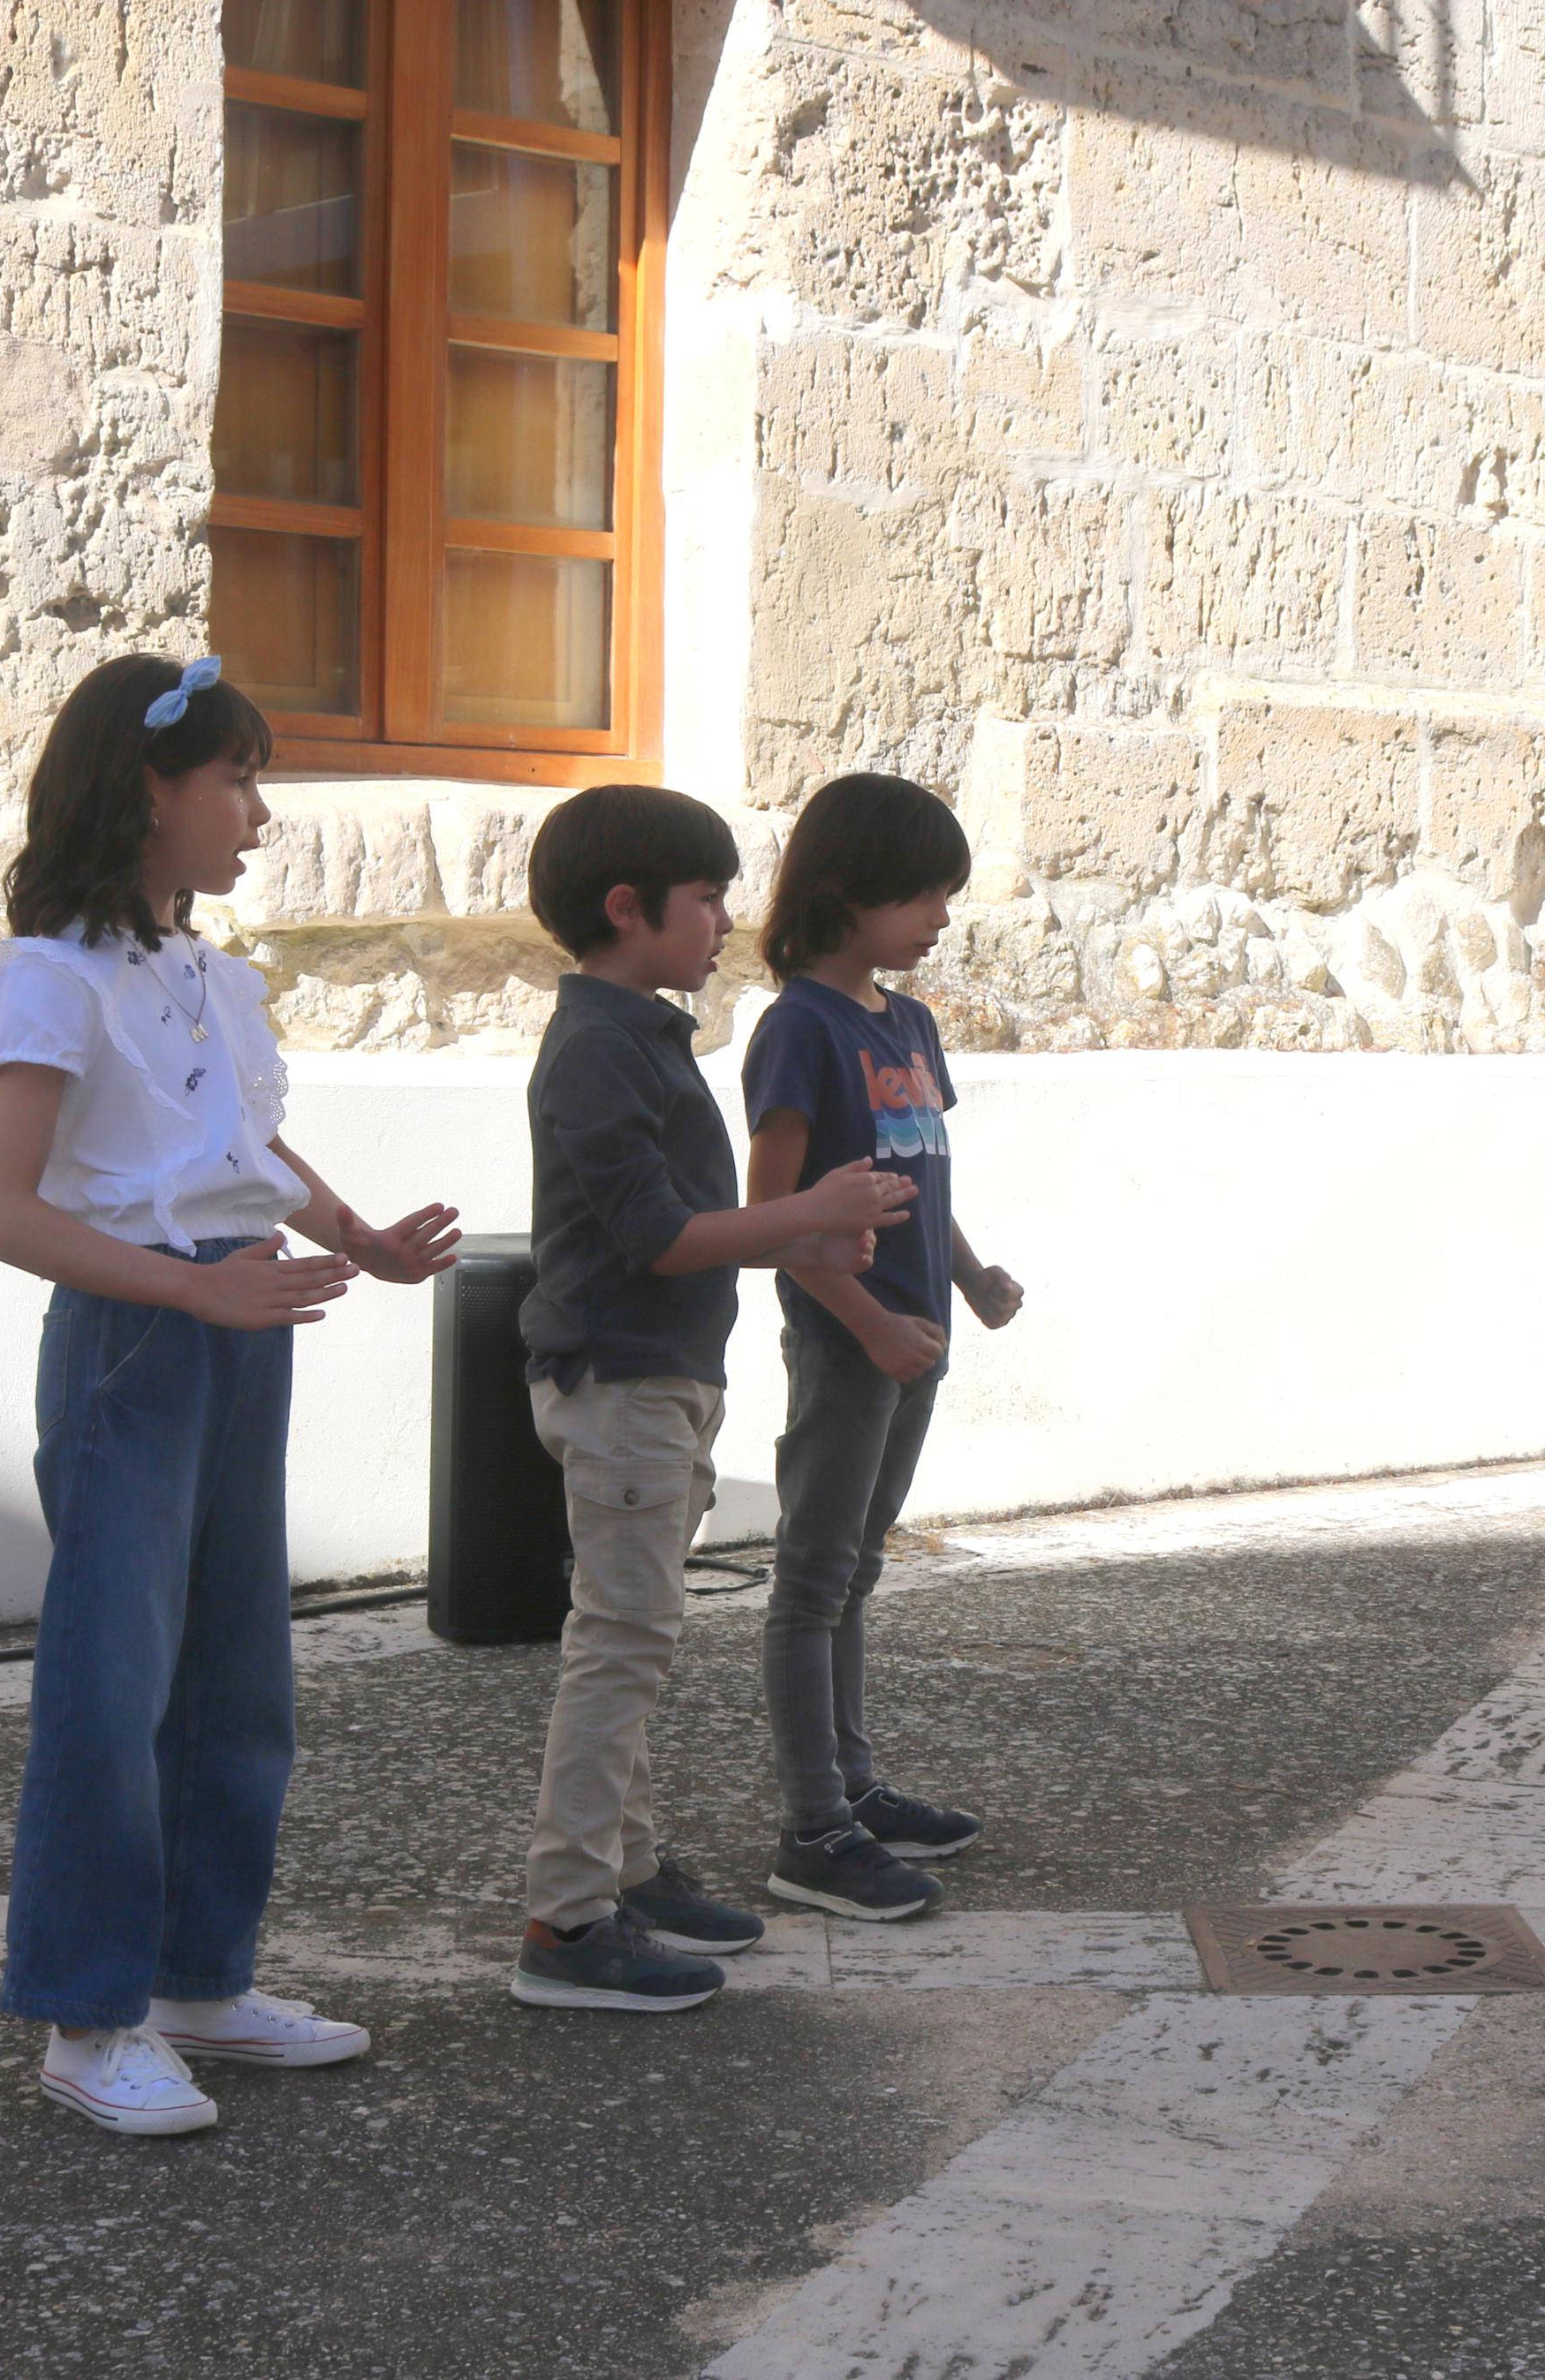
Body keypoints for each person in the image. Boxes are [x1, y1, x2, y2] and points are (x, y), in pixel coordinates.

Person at [0, 653, 462, 2134]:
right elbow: (3, 1210)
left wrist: (352, 1235)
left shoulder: (203, 976)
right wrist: (194, 1289)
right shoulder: (55, 977)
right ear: (147, 791)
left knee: (239, 1674)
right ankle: (86, 2015)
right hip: (141, 1337)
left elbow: (240, 1148)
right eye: (236, 781)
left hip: (243, 1323)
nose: (258, 815)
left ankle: (197, 1980)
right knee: (111, 1689)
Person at [506, 783, 915, 2014]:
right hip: (620, 1383)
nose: (728, 920)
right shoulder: (594, 1047)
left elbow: (686, 1228)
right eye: (707, 898)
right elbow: (658, 1236)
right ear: (628, 910)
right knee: (620, 1645)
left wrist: (810, 1235)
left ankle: (623, 1871)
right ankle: (568, 1923)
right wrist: (807, 1217)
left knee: (632, 1634)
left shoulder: (636, 1031)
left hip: (659, 1384)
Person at [738, 774, 1025, 1922]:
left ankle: (854, 1788)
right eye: (923, 896)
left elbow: (919, 1177)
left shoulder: (907, 1024)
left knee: (858, 1566)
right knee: (812, 1579)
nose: (941, 920)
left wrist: (971, 1278)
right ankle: (812, 1830)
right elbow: (774, 1218)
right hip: (855, 1346)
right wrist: (869, 1325)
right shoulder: (797, 1030)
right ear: (851, 891)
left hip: (915, 1339)